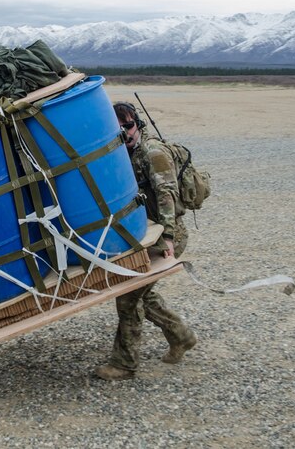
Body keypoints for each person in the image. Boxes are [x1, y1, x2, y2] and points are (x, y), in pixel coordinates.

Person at [94, 101, 197, 381]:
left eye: (127, 125)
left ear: (137, 124)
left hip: (167, 234)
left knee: (128, 297)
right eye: (117, 128)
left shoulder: (153, 152)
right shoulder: (125, 153)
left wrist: (166, 237)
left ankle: (124, 364)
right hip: (146, 233)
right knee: (143, 293)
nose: (124, 132)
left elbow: (167, 193)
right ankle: (181, 336)